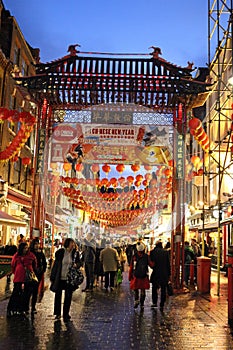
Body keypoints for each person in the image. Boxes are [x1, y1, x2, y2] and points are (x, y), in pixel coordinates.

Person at [50, 237, 82, 322]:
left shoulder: (75, 253)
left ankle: (66, 314)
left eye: (74, 243)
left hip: (69, 278)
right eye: (72, 243)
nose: (73, 245)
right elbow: (56, 265)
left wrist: (76, 265)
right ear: (68, 243)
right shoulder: (60, 252)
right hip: (60, 277)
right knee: (58, 295)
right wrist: (53, 276)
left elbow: (80, 263)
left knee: (68, 296)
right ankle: (57, 313)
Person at [7, 242, 37, 317]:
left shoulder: (31, 255)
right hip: (18, 277)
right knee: (16, 293)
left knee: (26, 294)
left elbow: (35, 264)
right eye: (24, 248)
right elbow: (13, 265)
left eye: (27, 248)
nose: (26, 250)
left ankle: (23, 309)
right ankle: (12, 309)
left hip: (28, 278)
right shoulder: (16, 256)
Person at [149, 241, 171, 312]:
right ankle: (162, 304)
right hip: (164, 273)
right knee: (163, 289)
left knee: (154, 288)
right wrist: (169, 274)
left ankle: (154, 302)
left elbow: (151, 264)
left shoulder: (152, 252)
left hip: (156, 273)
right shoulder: (165, 252)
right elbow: (168, 264)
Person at [128, 242, 150, 310]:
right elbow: (151, 264)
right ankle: (142, 304)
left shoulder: (134, 256)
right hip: (144, 276)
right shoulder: (146, 256)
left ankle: (136, 300)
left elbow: (131, 267)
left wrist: (130, 275)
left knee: (136, 289)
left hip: (136, 275)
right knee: (143, 290)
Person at [30, 238, 47, 313]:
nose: (37, 246)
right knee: (28, 291)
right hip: (31, 273)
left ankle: (33, 307)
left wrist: (43, 270)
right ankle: (25, 307)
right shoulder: (30, 253)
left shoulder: (41, 253)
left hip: (38, 274)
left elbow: (44, 262)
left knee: (35, 291)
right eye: (35, 244)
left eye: (38, 244)